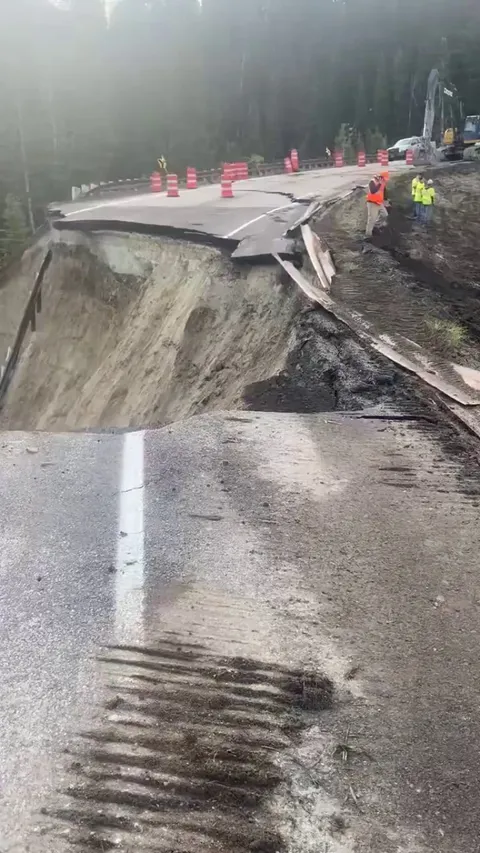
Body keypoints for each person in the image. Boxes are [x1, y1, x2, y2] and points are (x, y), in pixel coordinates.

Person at [365, 171, 389, 238]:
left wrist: (386, 200)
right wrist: (379, 184)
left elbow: (384, 191)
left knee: (385, 215)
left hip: (379, 202)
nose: (385, 181)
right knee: (371, 219)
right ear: (381, 178)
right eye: (384, 179)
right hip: (372, 203)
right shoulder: (372, 182)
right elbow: (373, 191)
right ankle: (368, 235)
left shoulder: (383, 183)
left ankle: (376, 226)